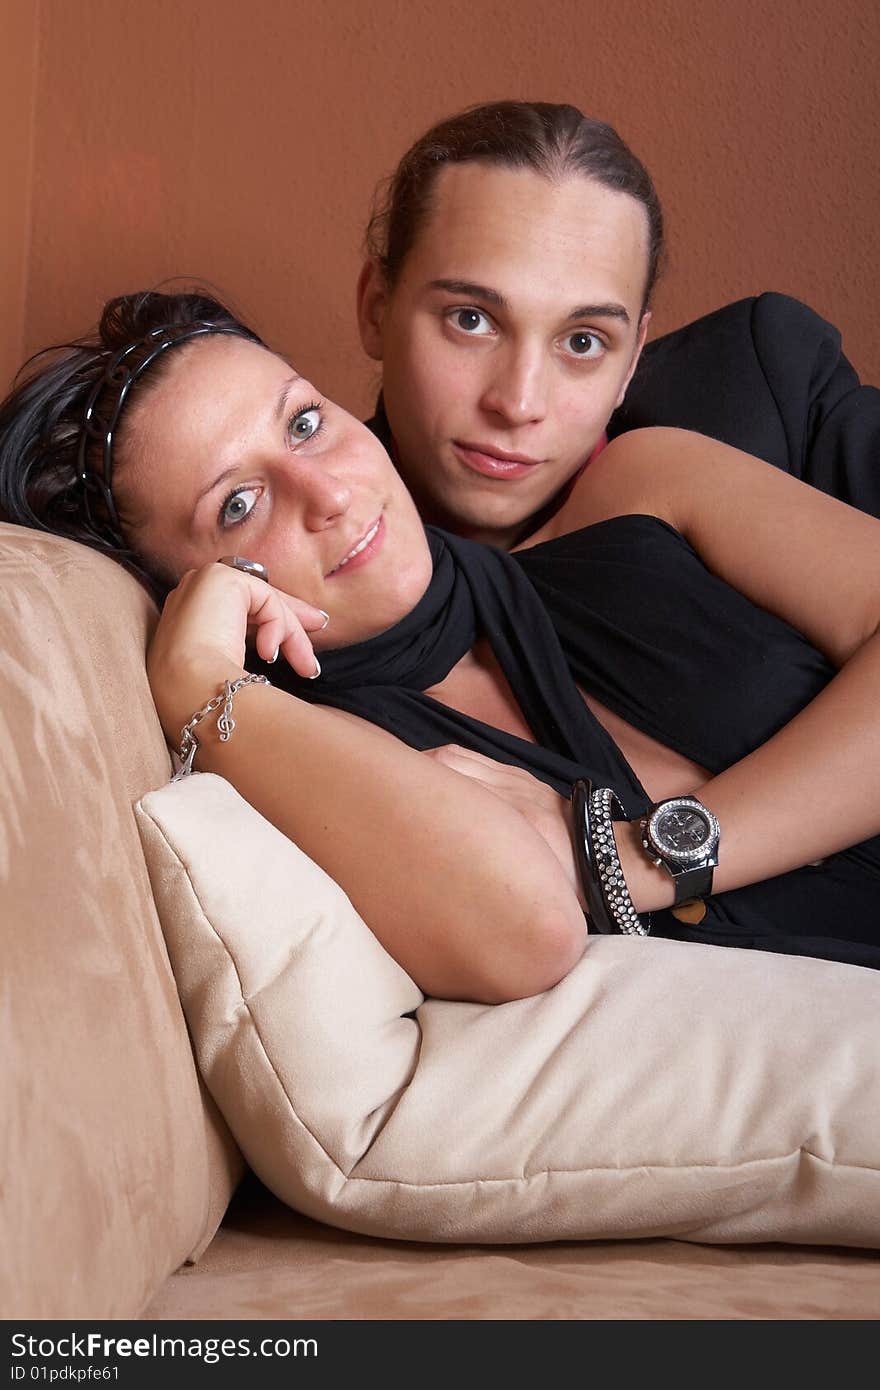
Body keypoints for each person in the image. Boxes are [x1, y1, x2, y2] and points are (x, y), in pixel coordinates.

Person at [2, 290, 879, 1009]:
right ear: (188, 591)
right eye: (237, 504)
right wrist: (200, 685)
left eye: (304, 423)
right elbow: (525, 929)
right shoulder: (326, 777)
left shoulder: (646, 488)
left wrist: (621, 855)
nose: (329, 492)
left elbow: (581, 881)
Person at [357, 100, 880, 546]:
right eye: (471, 320)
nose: (518, 405)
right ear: (376, 308)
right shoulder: (286, 556)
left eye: (582, 342)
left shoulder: (775, 390)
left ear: (633, 356)